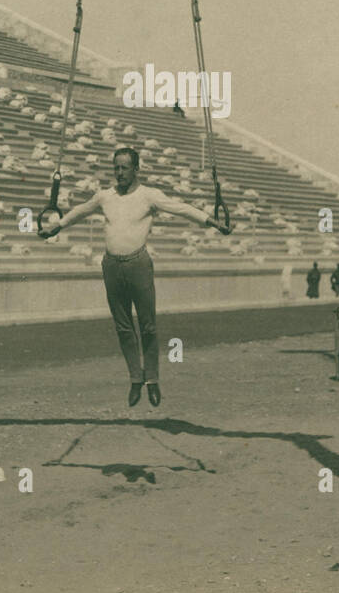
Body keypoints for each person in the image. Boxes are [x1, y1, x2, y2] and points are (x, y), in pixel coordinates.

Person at [40, 146, 230, 405]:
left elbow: (181, 208)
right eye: (116, 167)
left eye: (124, 167)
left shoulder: (149, 196)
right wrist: (56, 227)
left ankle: (151, 378)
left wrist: (212, 221)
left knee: (148, 325)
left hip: (138, 265)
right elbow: (81, 210)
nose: (119, 172)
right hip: (111, 266)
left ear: (136, 169)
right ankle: (134, 379)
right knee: (123, 326)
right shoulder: (105, 196)